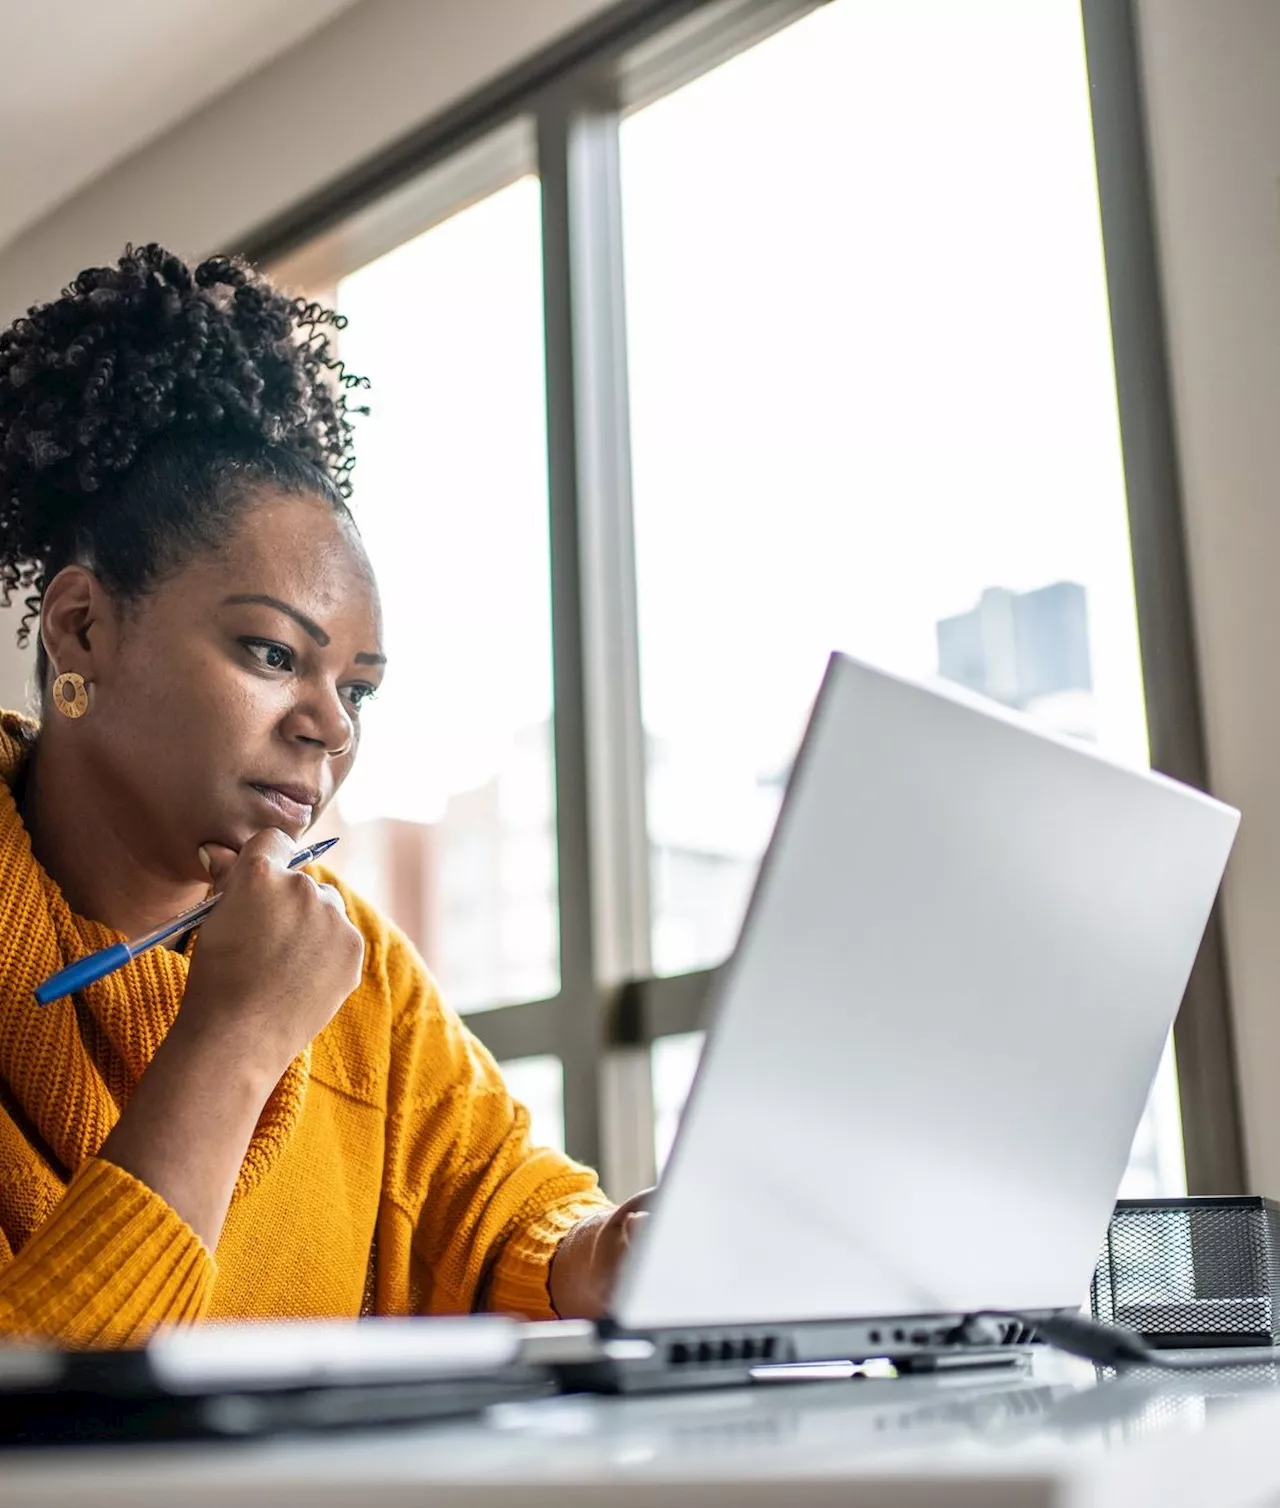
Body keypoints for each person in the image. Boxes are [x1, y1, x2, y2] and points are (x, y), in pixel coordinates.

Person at [0, 243, 643, 1346]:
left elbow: (504, 1223)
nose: (330, 724)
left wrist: (604, 1254)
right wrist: (235, 1038)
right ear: (82, 628)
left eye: (357, 688)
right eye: (269, 652)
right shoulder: (286, 983)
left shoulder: (360, 975)